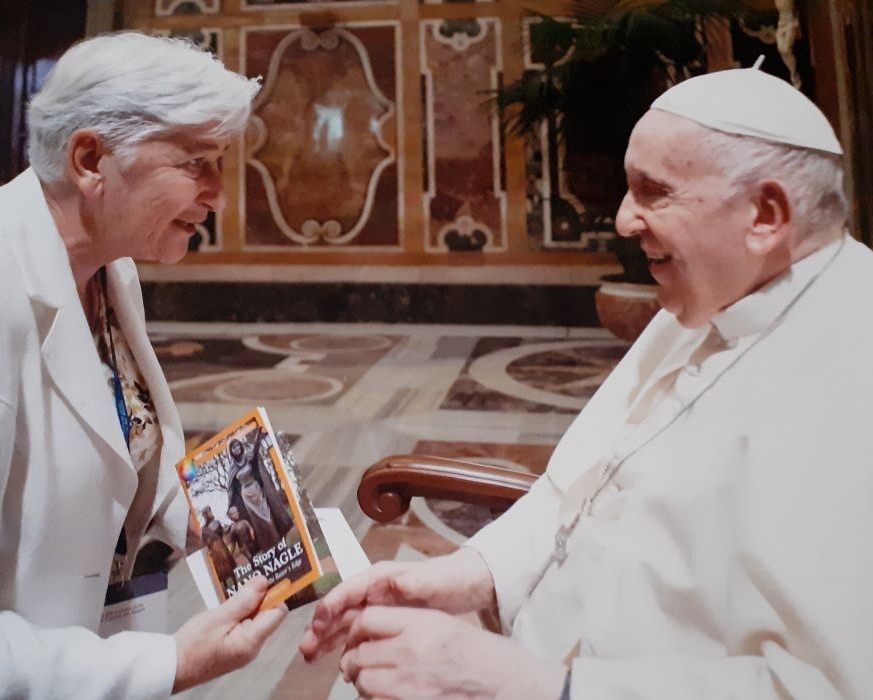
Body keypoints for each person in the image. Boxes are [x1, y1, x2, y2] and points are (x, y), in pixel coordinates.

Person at [301, 65, 873, 699]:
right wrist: (475, 573)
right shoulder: (712, 296)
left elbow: (828, 688)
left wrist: (527, 682)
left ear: (765, 214)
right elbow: (579, 492)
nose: (624, 219)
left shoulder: (854, 376)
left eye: (654, 192)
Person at [0, 32, 286, 699]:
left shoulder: (111, 266)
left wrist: (274, 532)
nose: (218, 195)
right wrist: (171, 665)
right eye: (196, 163)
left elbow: (126, 454)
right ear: (91, 159)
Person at [226, 433, 294, 554]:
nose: (236, 449)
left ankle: (279, 543)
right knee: (258, 523)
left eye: (237, 446)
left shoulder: (248, 457)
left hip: (257, 490)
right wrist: (230, 504)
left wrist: (258, 435)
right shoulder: (232, 468)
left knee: (268, 517)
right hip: (246, 496)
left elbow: (255, 449)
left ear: (241, 447)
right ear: (231, 451)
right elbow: (230, 489)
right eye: (233, 448)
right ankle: (269, 548)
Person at [201, 506, 238, 588]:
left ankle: (235, 582)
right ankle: (225, 586)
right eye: (208, 512)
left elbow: (221, 533)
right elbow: (205, 541)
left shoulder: (216, 522)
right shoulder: (204, 529)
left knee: (227, 563)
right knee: (219, 567)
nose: (210, 513)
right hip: (213, 549)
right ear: (205, 515)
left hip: (221, 546)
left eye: (210, 511)